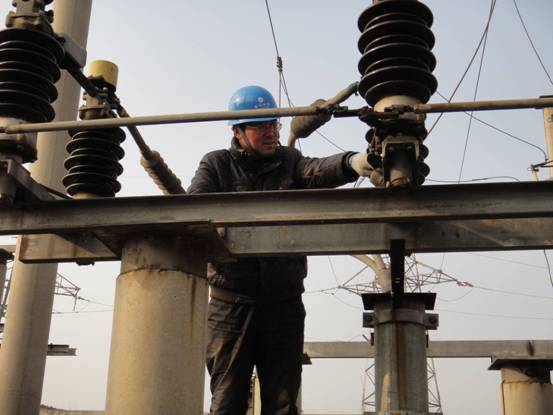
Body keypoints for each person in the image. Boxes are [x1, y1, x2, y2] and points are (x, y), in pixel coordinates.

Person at [188, 85, 378, 414]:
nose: (271, 133)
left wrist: (352, 162)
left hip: (283, 306)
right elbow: (194, 209)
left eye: (273, 125)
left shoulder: (289, 160)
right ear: (237, 132)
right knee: (227, 402)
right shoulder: (217, 164)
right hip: (230, 307)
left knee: (283, 405)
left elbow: (315, 171)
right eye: (260, 127)